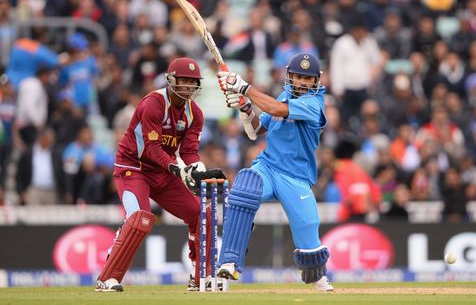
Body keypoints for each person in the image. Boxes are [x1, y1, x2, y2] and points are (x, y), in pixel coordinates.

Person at [95, 57, 224, 292]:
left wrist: (198, 170)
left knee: (200, 213)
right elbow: (151, 149)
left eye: (193, 82)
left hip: (163, 172)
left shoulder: (195, 113)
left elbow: (189, 152)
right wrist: (177, 168)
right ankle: (107, 278)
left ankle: (200, 278)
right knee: (140, 218)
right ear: (171, 80)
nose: (188, 87)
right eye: (183, 81)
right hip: (133, 167)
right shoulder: (153, 103)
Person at [215, 53, 334, 291]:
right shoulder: (284, 95)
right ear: (290, 75)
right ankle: (229, 261)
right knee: (244, 187)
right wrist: (246, 108)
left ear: (316, 81)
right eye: (298, 76)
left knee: (310, 244)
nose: (302, 82)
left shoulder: (314, 104)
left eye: (307, 78)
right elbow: (257, 129)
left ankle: (318, 277)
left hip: (297, 178)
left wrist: (245, 88)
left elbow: (279, 110)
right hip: (268, 167)